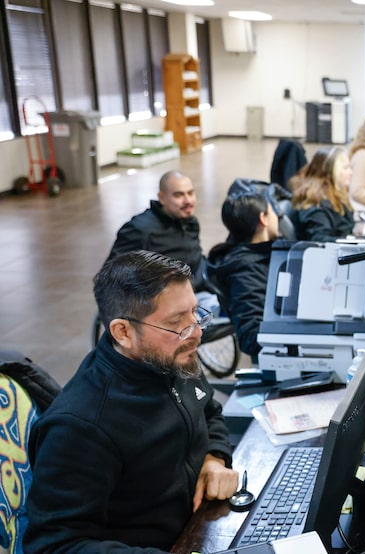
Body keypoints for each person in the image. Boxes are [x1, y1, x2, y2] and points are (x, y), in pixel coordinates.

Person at [24, 250, 239, 553]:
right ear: (123, 332)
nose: (197, 332)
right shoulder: (80, 427)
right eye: (178, 322)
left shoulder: (170, 358)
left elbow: (209, 410)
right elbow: (55, 545)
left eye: (196, 312)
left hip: (201, 528)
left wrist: (213, 459)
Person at [207, 191, 281, 359]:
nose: (278, 217)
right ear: (263, 219)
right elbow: (251, 335)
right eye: (273, 212)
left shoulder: (258, 255)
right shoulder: (246, 269)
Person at [106, 169, 207, 290]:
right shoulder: (140, 229)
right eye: (178, 195)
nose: (188, 201)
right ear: (161, 198)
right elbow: (111, 276)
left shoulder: (190, 222)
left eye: (190, 193)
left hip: (196, 290)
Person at [290, 146, 355, 242]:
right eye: (345, 168)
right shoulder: (315, 202)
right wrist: (353, 242)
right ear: (330, 173)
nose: (351, 173)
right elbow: (320, 239)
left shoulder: (335, 195)